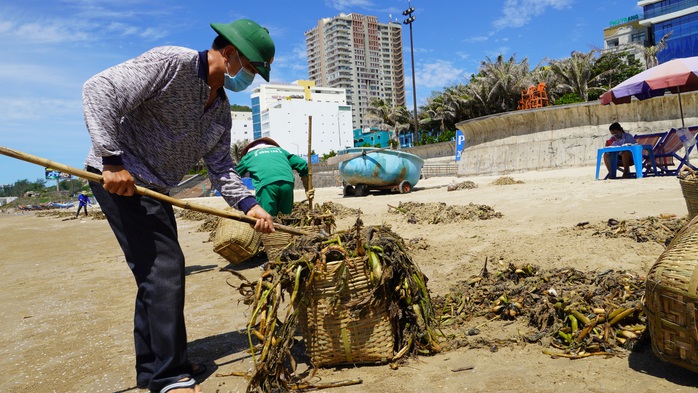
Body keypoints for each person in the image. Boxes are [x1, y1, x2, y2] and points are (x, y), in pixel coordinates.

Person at [81, 19, 276, 393]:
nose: (247, 78)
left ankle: (155, 368)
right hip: (121, 179)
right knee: (165, 268)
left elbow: (221, 169)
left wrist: (250, 206)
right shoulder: (173, 63)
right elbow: (98, 90)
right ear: (230, 53)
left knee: (155, 273)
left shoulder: (219, 110)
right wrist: (111, 161)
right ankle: (169, 377)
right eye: (250, 69)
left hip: (154, 188)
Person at [235, 137, 314, 216]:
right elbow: (302, 164)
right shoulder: (281, 151)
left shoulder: (249, 155)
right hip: (287, 184)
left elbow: (234, 174)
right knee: (285, 219)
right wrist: (307, 186)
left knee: (266, 220)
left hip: (266, 186)